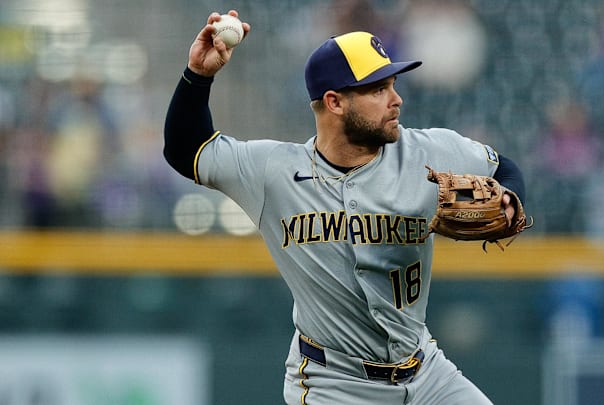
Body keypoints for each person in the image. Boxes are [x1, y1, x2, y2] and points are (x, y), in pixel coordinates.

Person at [164, 10, 526, 405]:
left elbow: (501, 167)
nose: (396, 99)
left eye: (393, 84)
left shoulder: (427, 151)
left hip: (427, 373)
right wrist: (198, 75)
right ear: (335, 102)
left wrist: (509, 200)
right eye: (377, 89)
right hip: (334, 385)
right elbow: (188, 149)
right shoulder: (275, 171)